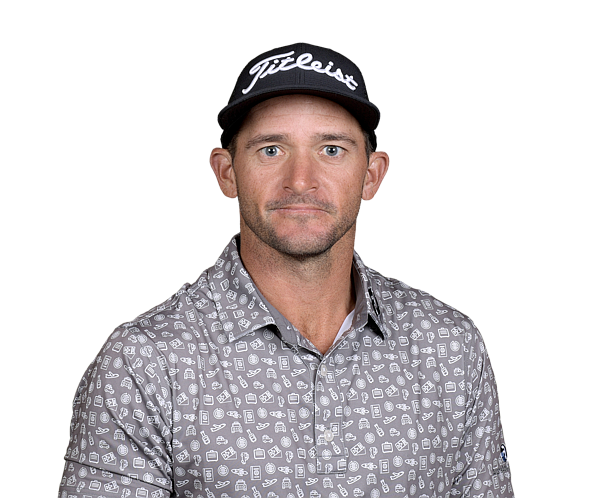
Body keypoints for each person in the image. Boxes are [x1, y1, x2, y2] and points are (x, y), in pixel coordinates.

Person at [58, 42, 514, 498]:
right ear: (226, 172)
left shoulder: (450, 346)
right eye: (272, 149)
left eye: (331, 149)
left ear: (372, 175)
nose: (300, 180)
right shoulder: (143, 362)